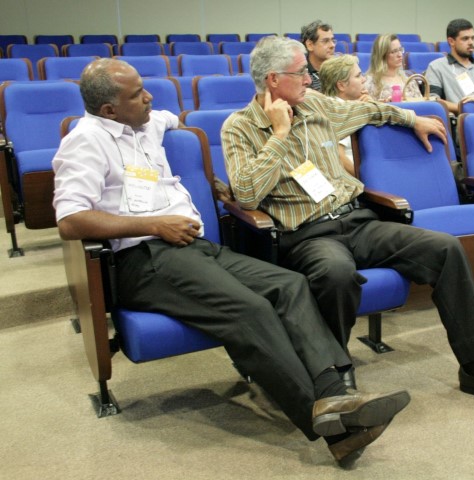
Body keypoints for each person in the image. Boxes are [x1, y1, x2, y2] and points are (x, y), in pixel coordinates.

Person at [52, 58, 412, 464]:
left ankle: (337, 395)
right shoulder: (85, 141)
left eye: (144, 87)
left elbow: (176, 119)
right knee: (250, 310)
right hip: (144, 257)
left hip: (193, 247)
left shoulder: (147, 122)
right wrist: (156, 224)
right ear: (108, 111)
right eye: (137, 94)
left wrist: (215, 183)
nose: (149, 96)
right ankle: (325, 422)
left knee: (289, 286)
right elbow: (70, 221)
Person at [221, 36, 474, 414]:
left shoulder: (316, 105)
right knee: (336, 275)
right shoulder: (239, 127)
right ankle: (338, 376)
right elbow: (245, 194)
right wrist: (278, 134)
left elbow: (370, 111)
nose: (310, 78)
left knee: (445, 248)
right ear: (273, 79)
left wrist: (412, 117)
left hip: (356, 220)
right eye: (302, 73)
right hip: (307, 234)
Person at [424, 18, 474, 115]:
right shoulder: (436, 67)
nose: (471, 42)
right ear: (451, 41)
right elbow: (433, 101)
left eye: (473, 38)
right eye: (465, 38)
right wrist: (465, 109)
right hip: (462, 120)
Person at [319, 54, 372, 175]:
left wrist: (371, 107)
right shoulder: (337, 113)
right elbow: (339, 157)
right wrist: (369, 182)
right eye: (358, 76)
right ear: (341, 85)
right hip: (358, 184)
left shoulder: (352, 105)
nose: (364, 79)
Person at [364, 34, 424, 102]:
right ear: (382, 55)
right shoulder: (369, 82)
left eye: (400, 50)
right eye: (394, 51)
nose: (400, 55)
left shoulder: (409, 81)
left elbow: (421, 105)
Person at [300, 19, 336, 91]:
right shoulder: (300, 73)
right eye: (325, 41)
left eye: (333, 40)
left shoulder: (338, 68)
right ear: (310, 45)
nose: (332, 45)